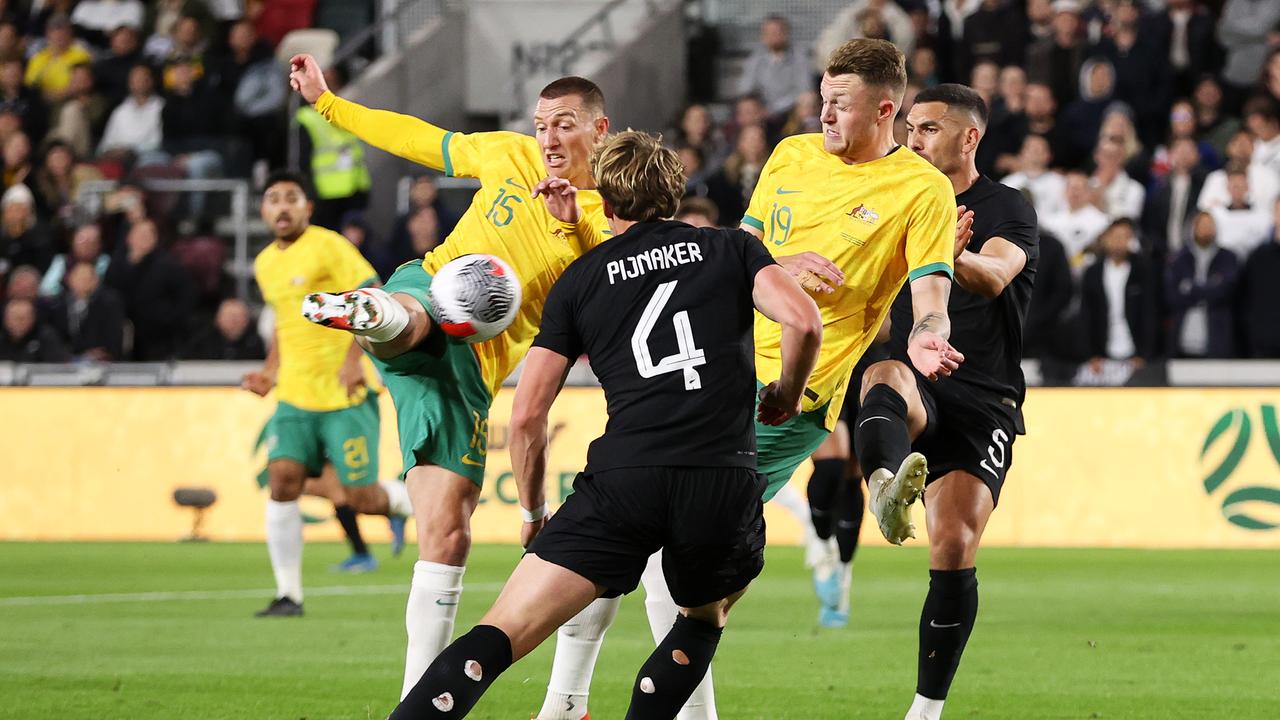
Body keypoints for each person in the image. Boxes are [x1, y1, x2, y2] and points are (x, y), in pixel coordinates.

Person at [534, 39, 960, 720]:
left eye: (840, 105)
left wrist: (928, 332)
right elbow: (742, 249)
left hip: (787, 396)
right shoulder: (790, 157)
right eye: (821, 98)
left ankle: (568, 706)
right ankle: (569, 705)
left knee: (645, 547)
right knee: (642, 541)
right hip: (710, 364)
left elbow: (930, 286)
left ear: (886, 109)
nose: (822, 113)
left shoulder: (921, 189)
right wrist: (782, 263)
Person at [390, 128, 822, 720]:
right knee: (698, 623)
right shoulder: (732, 248)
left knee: (499, 636)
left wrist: (534, 513)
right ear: (674, 193)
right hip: (721, 478)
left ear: (608, 203)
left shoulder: (581, 278)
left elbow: (526, 416)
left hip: (627, 480)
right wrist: (786, 393)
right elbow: (803, 321)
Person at [285, 52, 613, 697]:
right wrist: (327, 102)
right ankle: (376, 312)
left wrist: (573, 226)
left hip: (468, 373)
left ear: (600, 130)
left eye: (565, 124)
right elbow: (415, 138)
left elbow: (613, 288)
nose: (547, 137)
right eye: (542, 123)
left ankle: (414, 700)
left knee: (448, 533)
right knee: (428, 308)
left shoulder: (609, 215)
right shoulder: (508, 155)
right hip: (427, 291)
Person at [852, 83, 1038, 720]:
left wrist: (951, 255)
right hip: (920, 378)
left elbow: (994, 277)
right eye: (910, 127)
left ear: (970, 138)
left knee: (953, 544)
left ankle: (925, 711)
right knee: (883, 375)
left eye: (929, 129)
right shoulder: (898, 200)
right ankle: (883, 483)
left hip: (982, 397)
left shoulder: (1006, 206)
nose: (912, 139)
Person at [243, 170, 406, 616]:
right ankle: (288, 595)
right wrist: (270, 371)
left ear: (307, 208)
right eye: (273, 198)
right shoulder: (264, 263)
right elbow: (283, 321)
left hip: (343, 394)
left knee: (360, 497)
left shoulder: (329, 245)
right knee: (281, 482)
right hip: (295, 396)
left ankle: (405, 502)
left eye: (291, 198)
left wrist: (356, 360)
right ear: (263, 209)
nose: (282, 206)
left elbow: (372, 295)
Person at [1164, 212, 1240, 359]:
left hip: (1218, 340)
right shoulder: (1179, 259)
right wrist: (1210, 288)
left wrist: (1190, 288)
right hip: (1181, 343)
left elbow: (1227, 292)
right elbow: (1172, 297)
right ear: (1193, 228)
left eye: (1209, 225)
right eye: (1202, 225)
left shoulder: (1228, 258)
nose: (1205, 229)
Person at [736, 15, 811, 117]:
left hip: (790, 110)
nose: (773, 36)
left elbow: (804, 89)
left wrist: (775, 109)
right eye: (769, 32)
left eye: (777, 32)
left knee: (807, 100)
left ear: (786, 34)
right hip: (761, 111)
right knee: (746, 105)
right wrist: (759, 107)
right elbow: (746, 88)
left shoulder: (800, 58)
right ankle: (752, 133)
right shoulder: (755, 59)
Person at [182, 296, 266, 360]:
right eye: (229, 316)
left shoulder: (255, 342)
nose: (234, 321)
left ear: (247, 320)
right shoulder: (202, 341)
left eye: (238, 316)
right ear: (218, 319)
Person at [0, 296, 70, 361]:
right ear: (6, 319)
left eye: (23, 318)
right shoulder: (2, 339)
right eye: (14, 318)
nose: (19, 323)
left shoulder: (45, 337)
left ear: (32, 319)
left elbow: (59, 365)